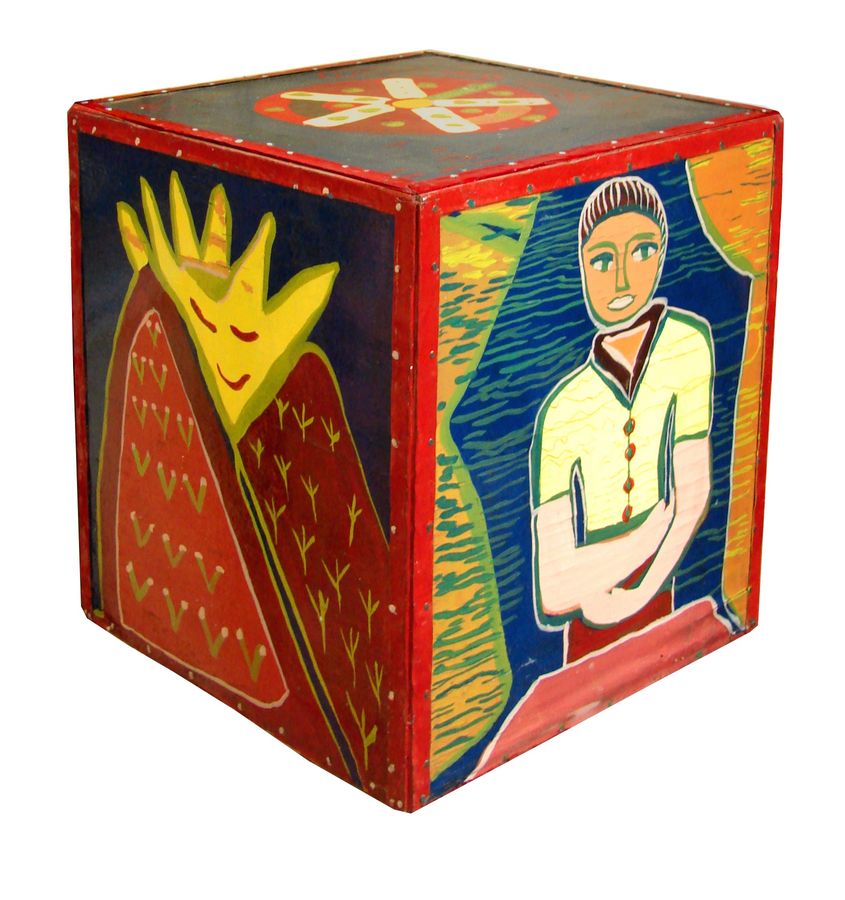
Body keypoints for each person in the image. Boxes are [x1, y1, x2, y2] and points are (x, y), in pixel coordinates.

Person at [530, 175, 714, 663]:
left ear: (662, 253)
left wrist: (638, 591)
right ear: (581, 267)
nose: (621, 281)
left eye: (641, 252)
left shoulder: (687, 345)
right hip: (586, 626)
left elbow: (693, 495)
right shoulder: (563, 407)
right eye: (602, 261)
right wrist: (646, 536)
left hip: (660, 594)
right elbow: (553, 588)